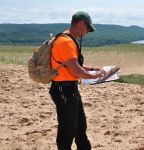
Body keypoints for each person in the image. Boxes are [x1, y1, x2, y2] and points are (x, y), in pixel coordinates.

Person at [49, 11, 105, 150]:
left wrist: (92, 69)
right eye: (88, 28)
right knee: (67, 129)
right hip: (64, 90)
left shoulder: (67, 39)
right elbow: (77, 70)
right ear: (81, 23)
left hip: (69, 89)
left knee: (80, 125)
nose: (88, 32)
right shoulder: (66, 41)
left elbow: (73, 64)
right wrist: (95, 76)